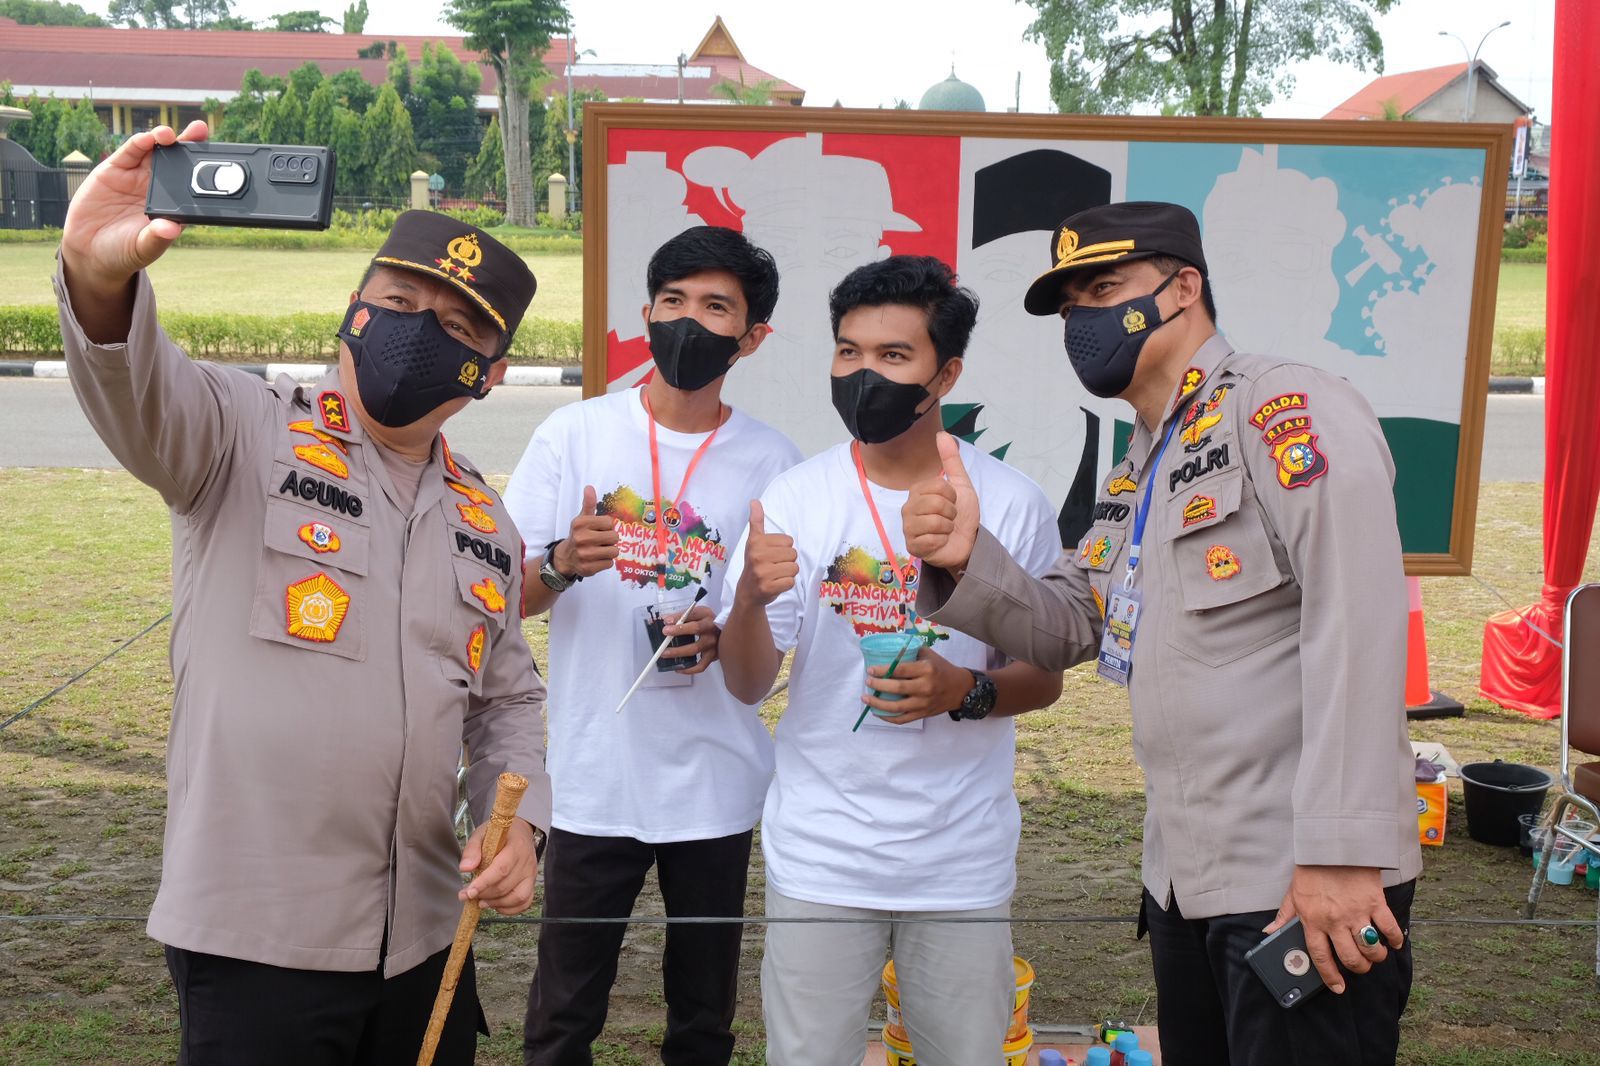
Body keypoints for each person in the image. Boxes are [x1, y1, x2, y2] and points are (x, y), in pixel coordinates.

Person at [55, 121, 551, 1065]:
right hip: (257, 936)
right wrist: (97, 275)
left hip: (424, 940)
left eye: (459, 329)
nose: (419, 331)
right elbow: (135, 390)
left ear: (489, 373)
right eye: (400, 300)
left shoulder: (487, 519)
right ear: (352, 311)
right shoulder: (240, 429)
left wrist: (517, 820)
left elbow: (509, 699)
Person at [903, 201, 1421, 1065]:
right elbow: (1071, 624)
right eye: (1070, 305)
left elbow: (1358, 622)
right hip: (1187, 883)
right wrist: (968, 560)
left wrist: (1341, 853)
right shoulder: (1139, 461)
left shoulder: (1282, 410)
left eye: (1105, 288)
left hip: (1302, 880)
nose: (1084, 320)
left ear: (1185, 288)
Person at [717, 255, 1064, 1066]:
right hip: (821, 855)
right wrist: (747, 603)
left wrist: (962, 691)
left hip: (959, 859)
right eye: (848, 352)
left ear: (946, 372)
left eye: (892, 356)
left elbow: (1043, 676)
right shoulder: (798, 499)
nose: (863, 374)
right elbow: (746, 682)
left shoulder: (1010, 502)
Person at [503, 225, 800, 1066]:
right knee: (563, 1012)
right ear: (644, 313)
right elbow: (501, 598)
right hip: (594, 773)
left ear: (752, 338)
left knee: (702, 1018)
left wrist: (726, 626)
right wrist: (561, 565)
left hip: (714, 781)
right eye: (673, 302)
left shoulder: (774, 461)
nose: (688, 322)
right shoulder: (574, 435)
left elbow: (769, 640)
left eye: (715, 308)